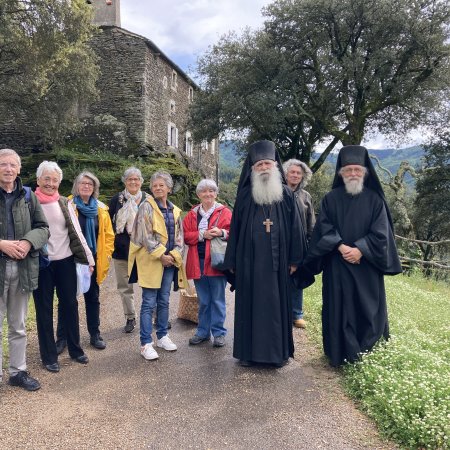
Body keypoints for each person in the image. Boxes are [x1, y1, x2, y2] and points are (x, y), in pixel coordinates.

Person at [302, 145, 402, 367]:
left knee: (367, 308)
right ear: (341, 173)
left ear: (365, 172)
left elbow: (381, 232)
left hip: (366, 265)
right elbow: (324, 228)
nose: (353, 174)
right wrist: (340, 246)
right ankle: (338, 354)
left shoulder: (375, 200)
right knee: (338, 308)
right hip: (337, 264)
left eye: (357, 169)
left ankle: (366, 353)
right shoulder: (330, 199)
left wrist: (360, 250)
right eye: (348, 170)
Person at [222, 140, 307, 367]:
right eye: (259, 165)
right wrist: (232, 261)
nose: (264, 168)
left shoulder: (287, 196)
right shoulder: (244, 197)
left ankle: (276, 355)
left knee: (275, 308)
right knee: (249, 307)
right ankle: (248, 354)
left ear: (276, 166)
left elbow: (297, 229)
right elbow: (236, 230)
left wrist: (295, 260)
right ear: (252, 168)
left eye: (268, 164)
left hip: (278, 266)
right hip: (249, 264)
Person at [32, 162, 95, 372]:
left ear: (60, 181)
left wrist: (89, 259)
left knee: (70, 305)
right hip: (42, 263)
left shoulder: (64, 202)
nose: (50, 183)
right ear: (38, 180)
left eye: (54, 179)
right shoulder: (30, 201)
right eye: (46, 179)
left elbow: (76, 232)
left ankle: (75, 350)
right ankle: (49, 356)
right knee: (44, 309)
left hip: (66, 261)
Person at [0, 148, 49, 391]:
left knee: (18, 324)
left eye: (12, 165)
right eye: (3, 164)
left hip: (21, 268)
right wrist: (2, 244)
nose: (8, 169)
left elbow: (43, 227)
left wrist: (28, 241)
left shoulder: (28, 196)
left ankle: (17, 372)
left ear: (19, 169)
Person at [129, 171, 186, 360]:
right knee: (148, 302)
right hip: (151, 261)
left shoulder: (175, 210)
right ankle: (145, 343)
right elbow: (145, 235)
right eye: (154, 185)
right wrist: (162, 254)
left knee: (164, 300)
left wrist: (174, 254)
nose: (158, 188)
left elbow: (180, 237)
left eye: (161, 185)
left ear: (169, 188)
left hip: (170, 262)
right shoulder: (146, 207)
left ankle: (162, 335)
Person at [56, 171, 114, 352]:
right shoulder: (67, 205)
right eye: (83, 183)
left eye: (90, 184)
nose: (87, 186)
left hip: (93, 260)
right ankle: (62, 337)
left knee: (93, 297)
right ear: (77, 186)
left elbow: (108, 236)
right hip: (71, 259)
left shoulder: (101, 209)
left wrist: (107, 254)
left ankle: (95, 334)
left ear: (94, 187)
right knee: (67, 299)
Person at [183, 179, 232, 347]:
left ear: (216, 194)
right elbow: (186, 236)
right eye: (204, 191)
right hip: (198, 260)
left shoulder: (225, 212)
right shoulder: (191, 214)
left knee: (217, 299)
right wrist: (203, 235)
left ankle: (218, 333)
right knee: (203, 300)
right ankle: (202, 332)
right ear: (198, 195)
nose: (208, 194)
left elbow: (235, 233)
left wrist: (222, 232)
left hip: (217, 261)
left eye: (211, 191)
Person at [109, 167, 148, 333]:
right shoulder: (116, 200)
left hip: (145, 251)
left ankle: (152, 315)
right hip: (122, 251)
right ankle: (130, 317)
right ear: (125, 181)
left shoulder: (148, 200)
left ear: (141, 182)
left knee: (149, 285)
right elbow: (109, 225)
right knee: (125, 287)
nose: (133, 182)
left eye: (136, 179)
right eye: (130, 179)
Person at [283, 159, 315, 329]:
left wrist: (310, 244)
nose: (295, 175)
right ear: (286, 173)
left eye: (298, 173)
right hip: (281, 243)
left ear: (303, 176)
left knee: (296, 278)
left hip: (300, 244)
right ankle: (280, 311)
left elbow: (311, 223)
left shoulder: (306, 196)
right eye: (292, 172)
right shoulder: (278, 192)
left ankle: (296, 314)